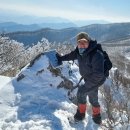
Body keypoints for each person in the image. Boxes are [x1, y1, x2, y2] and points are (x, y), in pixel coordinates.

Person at [56, 32, 106, 124]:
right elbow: (71, 56)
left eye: (84, 42)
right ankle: (97, 117)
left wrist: (87, 85)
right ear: (77, 43)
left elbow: (98, 75)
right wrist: (60, 58)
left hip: (97, 79)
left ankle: (80, 115)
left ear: (88, 42)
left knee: (81, 92)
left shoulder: (96, 54)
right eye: (80, 42)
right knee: (93, 98)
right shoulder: (79, 52)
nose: (82, 45)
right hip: (89, 77)